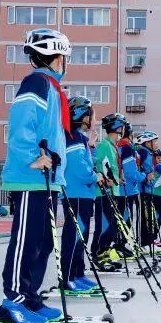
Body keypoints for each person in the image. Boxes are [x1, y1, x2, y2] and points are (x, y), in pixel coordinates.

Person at [0, 28, 71, 323]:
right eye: (64, 57)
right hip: (30, 176)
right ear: (56, 57)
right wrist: (34, 157)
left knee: (43, 241)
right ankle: (12, 302)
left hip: (48, 177)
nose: (66, 62)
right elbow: (21, 124)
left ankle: (30, 298)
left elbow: (51, 133)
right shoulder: (37, 82)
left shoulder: (50, 87)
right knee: (27, 240)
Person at [60, 96, 100, 292]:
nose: (93, 120)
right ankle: (67, 277)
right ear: (81, 115)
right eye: (91, 115)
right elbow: (80, 169)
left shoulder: (80, 138)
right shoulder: (71, 137)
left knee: (82, 234)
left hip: (84, 194)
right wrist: (95, 176)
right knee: (74, 234)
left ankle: (78, 273)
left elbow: (88, 161)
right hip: (75, 193)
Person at [90, 113, 125, 271]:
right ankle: (98, 255)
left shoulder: (112, 146)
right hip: (104, 192)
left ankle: (104, 252)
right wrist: (110, 178)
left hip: (113, 191)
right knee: (104, 226)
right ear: (118, 127)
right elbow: (102, 166)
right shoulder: (105, 145)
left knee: (112, 226)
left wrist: (118, 178)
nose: (123, 129)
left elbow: (112, 168)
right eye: (122, 126)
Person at [117, 122, 145, 253]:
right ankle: (121, 245)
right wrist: (143, 176)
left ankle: (123, 244)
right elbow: (129, 172)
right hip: (126, 189)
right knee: (126, 218)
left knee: (126, 218)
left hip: (127, 188)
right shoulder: (126, 147)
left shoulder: (124, 146)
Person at [137, 131, 159, 247]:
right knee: (145, 218)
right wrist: (146, 177)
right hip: (143, 189)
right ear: (147, 143)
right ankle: (144, 243)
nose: (156, 144)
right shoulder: (142, 152)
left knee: (150, 217)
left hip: (148, 189)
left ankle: (149, 241)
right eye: (154, 141)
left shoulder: (148, 153)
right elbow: (137, 168)